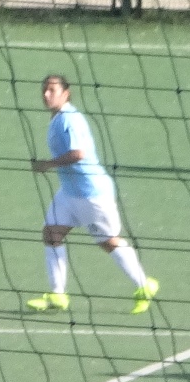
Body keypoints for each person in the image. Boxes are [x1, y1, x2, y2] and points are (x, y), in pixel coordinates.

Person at [27, 74, 158, 314]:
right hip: (69, 193)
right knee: (52, 233)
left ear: (66, 93)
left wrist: (47, 164)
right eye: (44, 90)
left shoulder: (70, 119)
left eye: (52, 90)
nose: (46, 95)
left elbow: (78, 153)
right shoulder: (58, 118)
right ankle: (58, 295)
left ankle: (144, 285)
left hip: (92, 194)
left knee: (109, 242)